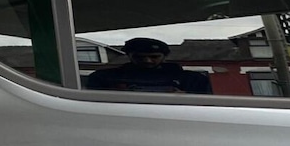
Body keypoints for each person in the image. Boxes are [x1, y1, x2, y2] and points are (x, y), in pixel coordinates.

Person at [84, 37, 212, 94]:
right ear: (129, 56)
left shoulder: (192, 80)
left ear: (164, 56)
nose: (148, 61)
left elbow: (205, 108)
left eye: (154, 57)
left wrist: (187, 98)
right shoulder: (104, 78)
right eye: (139, 57)